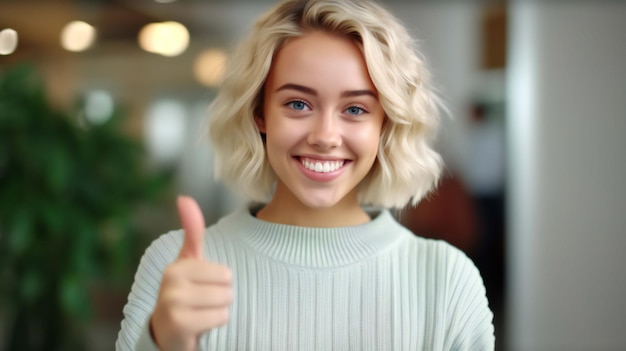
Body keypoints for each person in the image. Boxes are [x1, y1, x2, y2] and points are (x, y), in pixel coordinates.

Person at [116, 0, 495, 350]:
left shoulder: (447, 280)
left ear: (386, 123)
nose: (325, 137)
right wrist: (162, 342)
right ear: (259, 114)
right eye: (298, 104)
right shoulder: (174, 266)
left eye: (356, 109)